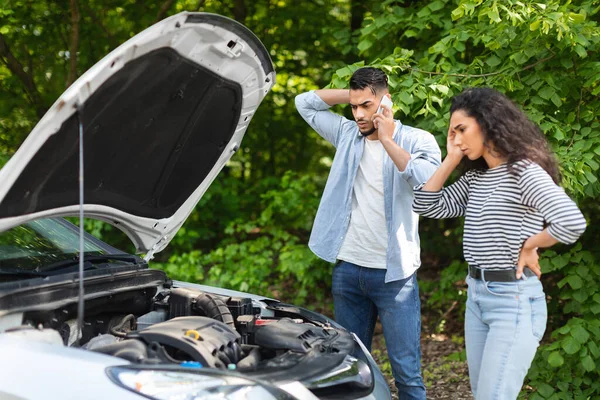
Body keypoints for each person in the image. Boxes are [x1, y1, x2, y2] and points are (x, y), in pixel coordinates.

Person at [412, 87, 587, 399]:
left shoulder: (523, 171)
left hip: (513, 300)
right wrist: (452, 158)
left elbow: (571, 222)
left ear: (488, 123)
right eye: (451, 133)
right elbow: (428, 205)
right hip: (477, 297)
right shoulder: (477, 178)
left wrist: (531, 244)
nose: (457, 140)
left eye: (461, 130)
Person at [295, 67, 441, 399]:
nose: (359, 114)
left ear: (386, 101)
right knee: (348, 369)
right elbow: (304, 103)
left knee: (407, 374)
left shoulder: (417, 140)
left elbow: (426, 182)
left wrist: (387, 138)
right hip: (348, 270)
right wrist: (354, 96)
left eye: (367, 105)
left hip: (395, 276)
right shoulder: (347, 134)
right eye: (354, 106)